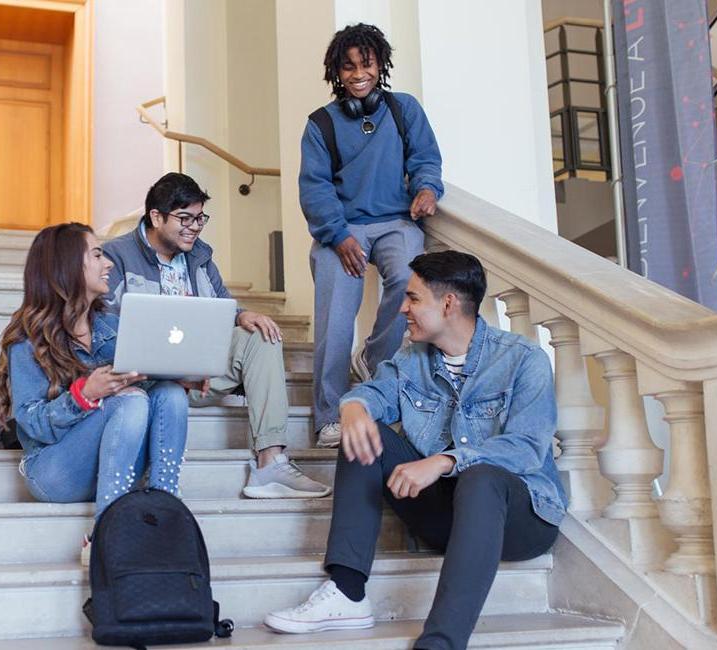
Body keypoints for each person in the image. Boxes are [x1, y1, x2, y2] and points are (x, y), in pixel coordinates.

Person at [264, 251, 566, 650]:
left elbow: (526, 448)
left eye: (413, 298)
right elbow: (373, 393)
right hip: (450, 517)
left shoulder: (524, 360)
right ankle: (347, 591)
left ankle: (441, 641)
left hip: (520, 521)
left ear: (448, 304)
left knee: (480, 478)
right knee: (364, 431)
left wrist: (443, 462)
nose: (402, 307)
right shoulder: (411, 359)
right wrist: (353, 407)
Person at [102, 173, 330, 499]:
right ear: (156, 216)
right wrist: (161, 372)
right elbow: (104, 336)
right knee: (166, 389)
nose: (194, 226)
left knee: (261, 335)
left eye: (199, 218)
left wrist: (242, 315)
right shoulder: (117, 256)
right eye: (184, 218)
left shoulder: (200, 255)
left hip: (199, 378)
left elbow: (221, 306)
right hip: (145, 384)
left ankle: (270, 463)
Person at [0, 222, 190, 562]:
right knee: (129, 401)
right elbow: (32, 424)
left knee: (169, 394)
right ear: (67, 265)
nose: (109, 262)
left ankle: (164, 510)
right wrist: (84, 394)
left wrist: (178, 373)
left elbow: (148, 398)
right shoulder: (27, 340)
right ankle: (106, 534)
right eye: (97, 254)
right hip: (55, 471)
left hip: (116, 456)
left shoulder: (113, 327)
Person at [301, 23, 444, 448]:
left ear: (380, 65)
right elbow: (315, 187)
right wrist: (338, 235)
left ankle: (375, 361)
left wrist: (426, 189)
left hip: (396, 221)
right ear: (337, 73)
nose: (358, 73)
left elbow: (425, 158)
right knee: (335, 318)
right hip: (342, 230)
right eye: (348, 67)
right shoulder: (320, 125)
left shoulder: (404, 109)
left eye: (366, 64)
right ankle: (328, 415)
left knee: (408, 283)